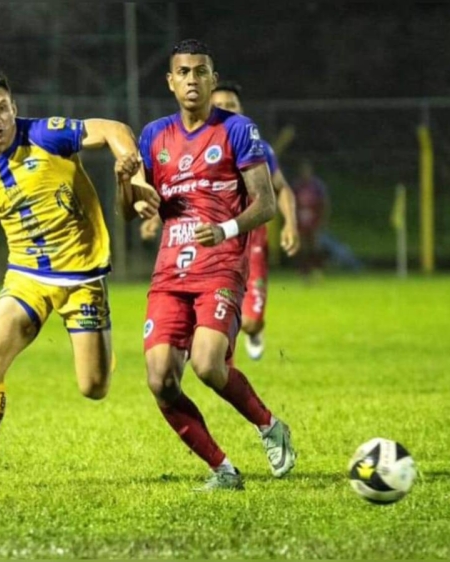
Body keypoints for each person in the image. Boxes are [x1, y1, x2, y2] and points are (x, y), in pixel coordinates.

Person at [0, 70, 159, 493]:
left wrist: (134, 176)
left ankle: (101, 346)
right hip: (27, 278)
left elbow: (114, 129)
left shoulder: (46, 134)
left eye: (2, 107)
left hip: (84, 277)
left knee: (93, 387)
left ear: (14, 108)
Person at [128, 39, 296, 491]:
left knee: (206, 365)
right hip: (169, 274)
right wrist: (131, 188)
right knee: (160, 379)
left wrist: (223, 230)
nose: (191, 80)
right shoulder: (153, 136)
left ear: (212, 79)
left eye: (200, 72)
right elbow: (134, 208)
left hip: (220, 266)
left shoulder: (238, 130)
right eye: (182, 72)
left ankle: (269, 426)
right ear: (170, 81)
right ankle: (222, 469)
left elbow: (265, 204)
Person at [140, 81, 300, 361]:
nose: (225, 109)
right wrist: (154, 215)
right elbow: (178, 189)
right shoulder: (191, 145)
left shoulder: (256, 146)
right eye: (220, 105)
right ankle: (204, 347)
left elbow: (280, 188)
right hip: (207, 240)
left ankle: (250, 331)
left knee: (251, 322)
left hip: (250, 238)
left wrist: (291, 224)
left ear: (241, 110)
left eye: (232, 105)